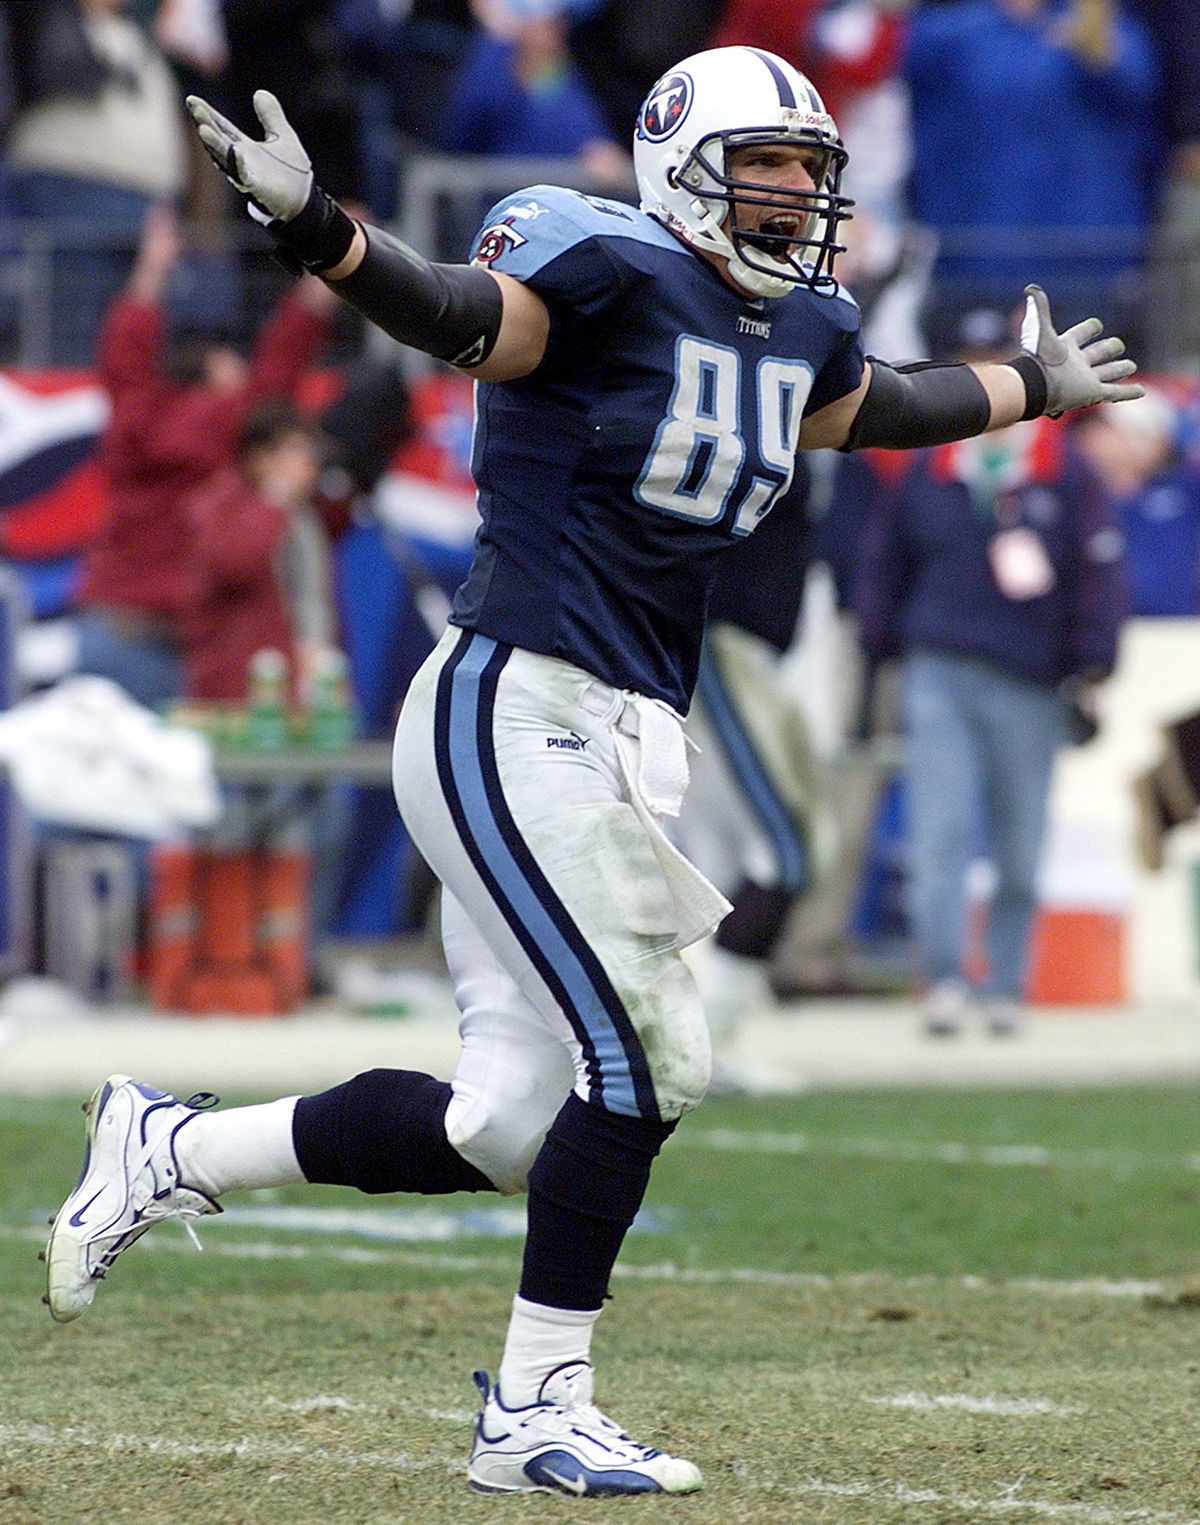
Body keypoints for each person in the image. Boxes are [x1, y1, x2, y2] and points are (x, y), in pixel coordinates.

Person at [42, 45, 1142, 1498]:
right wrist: (320, 229)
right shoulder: (608, 264)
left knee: (500, 1123)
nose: (800, 194)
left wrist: (1027, 389)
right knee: (654, 1055)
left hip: (620, 726)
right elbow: (455, 315)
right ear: (687, 160)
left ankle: (172, 1145)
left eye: (814, 170)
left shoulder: (797, 326)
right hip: (519, 695)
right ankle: (536, 1405)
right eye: (772, 165)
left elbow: (869, 408)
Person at [855, 308, 1127, 1037]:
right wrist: (880, 651)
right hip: (938, 666)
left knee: (1017, 840)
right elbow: (886, 563)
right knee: (940, 834)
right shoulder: (929, 462)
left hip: (1030, 676)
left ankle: (1005, 982)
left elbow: (1098, 571)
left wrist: (1093, 664)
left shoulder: (1063, 468)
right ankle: (943, 978)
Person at [72, 201, 336, 711]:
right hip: (175, 642)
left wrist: (151, 270)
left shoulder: (136, 415)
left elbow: (122, 354)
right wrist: (330, 271)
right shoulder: (228, 424)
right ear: (214, 372)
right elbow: (281, 364)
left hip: (109, 626)